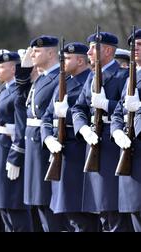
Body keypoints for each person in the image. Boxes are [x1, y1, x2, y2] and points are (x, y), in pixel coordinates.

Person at [71, 31, 133, 232]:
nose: (88, 52)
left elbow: (127, 108)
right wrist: (82, 128)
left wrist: (107, 104)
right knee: (101, 210)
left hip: (112, 145)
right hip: (93, 142)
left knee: (113, 209)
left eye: (92, 47)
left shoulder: (123, 75)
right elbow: (78, 108)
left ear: (107, 50)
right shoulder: (91, 76)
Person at [40, 42, 99, 232]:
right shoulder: (62, 81)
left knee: (80, 215)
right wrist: (47, 137)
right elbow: (47, 116)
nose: (62, 62)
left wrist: (68, 118)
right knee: (67, 213)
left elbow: (90, 116)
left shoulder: (90, 81)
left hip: (77, 151)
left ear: (80, 60)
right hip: (59, 151)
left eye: (67, 58)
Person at [0, 52, 33, 232]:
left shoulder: (17, 92)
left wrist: (15, 157)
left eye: (2, 67)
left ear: (13, 69)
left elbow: (21, 127)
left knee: (14, 207)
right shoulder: (3, 89)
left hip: (7, 152)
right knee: (4, 208)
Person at [19, 35, 65, 232]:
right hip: (33, 145)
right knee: (38, 205)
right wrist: (24, 65)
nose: (32, 55)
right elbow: (20, 96)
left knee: (47, 205)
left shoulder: (60, 78)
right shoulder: (42, 78)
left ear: (51, 53)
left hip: (44, 147)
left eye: (37, 51)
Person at [111, 29, 141, 231]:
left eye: (140, 45)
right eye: (134, 46)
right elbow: (118, 112)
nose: (136, 49)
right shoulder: (133, 75)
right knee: (134, 212)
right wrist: (116, 131)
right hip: (130, 148)